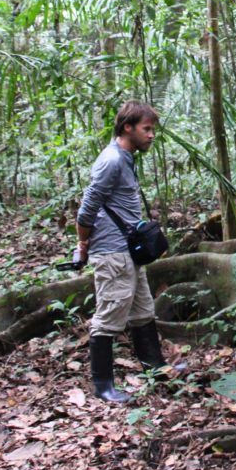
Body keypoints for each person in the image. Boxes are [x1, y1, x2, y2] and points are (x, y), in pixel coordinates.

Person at [76, 100, 169, 403]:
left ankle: (155, 371)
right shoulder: (112, 160)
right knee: (110, 316)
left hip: (129, 251)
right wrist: (83, 243)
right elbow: (87, 208)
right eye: (147, 129)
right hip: (113, 253)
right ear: (127, 127)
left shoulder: (126, 157)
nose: (151, 135)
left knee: (143, 311)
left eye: (152, 129)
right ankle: (104, 387)